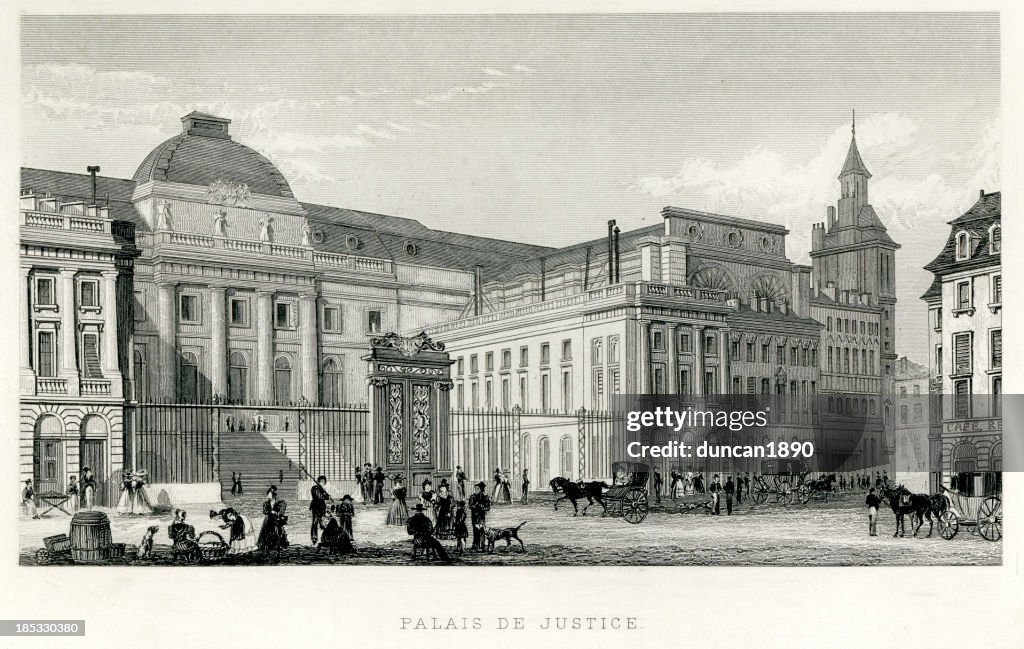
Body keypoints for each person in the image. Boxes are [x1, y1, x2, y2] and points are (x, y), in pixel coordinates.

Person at [257, 485, 289, 558]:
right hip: (268, 521)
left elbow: (282, 511)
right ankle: (267, 550)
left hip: (276, 520)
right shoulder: (266, 503)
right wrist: (270, 512)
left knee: (277, 534)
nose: (268, 496)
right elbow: (264, 511)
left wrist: (276, 513)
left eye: (270, 494)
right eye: (268, 494)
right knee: (267, 535)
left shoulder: (280, 502)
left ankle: (278, 549)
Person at [309, 475, 332, 545]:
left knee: (323, 522)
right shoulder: (315, 488)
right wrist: (325, 494)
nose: (323, 483)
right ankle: (314, 538)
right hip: (316, 506)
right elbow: (319, 497)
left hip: (322, 507)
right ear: (319, 481)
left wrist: (326, 495)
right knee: (315, 522)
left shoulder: (321, 489)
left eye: (324, 482)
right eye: (322, 482)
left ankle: (325, 537)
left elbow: (325, 497)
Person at [469, 481, 491, 552]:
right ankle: (475, 546)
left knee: (481, 531)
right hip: (474, 517)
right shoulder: (472, 497)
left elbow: (488, 508)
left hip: (481, 517)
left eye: (477, 488)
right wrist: (475, 505)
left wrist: (482, 507)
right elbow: (470, 506)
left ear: (481, 489)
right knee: (475, 531)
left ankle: (482, 546)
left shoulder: (485, 497)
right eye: (475, 488)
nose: (476, 490)